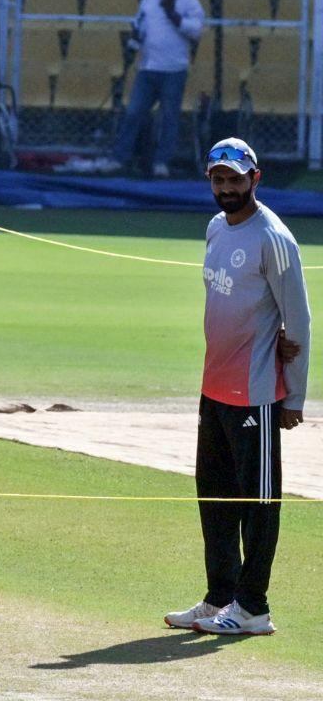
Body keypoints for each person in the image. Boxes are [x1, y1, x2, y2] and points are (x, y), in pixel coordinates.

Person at [164, 138, 310, 636]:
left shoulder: (274, 238)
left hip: (258, 395)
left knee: (258, 504)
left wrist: (293, 397)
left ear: (255, 178)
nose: (227, 188)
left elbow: (300, 321)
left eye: (235, 179)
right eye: (218, 179)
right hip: (215, 389)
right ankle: (219, 597)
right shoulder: (214, 228)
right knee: (216, 497)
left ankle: (253, 608)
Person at [70, 0, 204, 178]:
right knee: (133, 113)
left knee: (169, 117)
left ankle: (162, 162)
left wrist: (173, 15)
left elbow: (196, 31)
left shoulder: (189, 2)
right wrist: (132, 47)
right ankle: (119, 158)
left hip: (174, 70)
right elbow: (139, 25)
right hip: (147, 68)